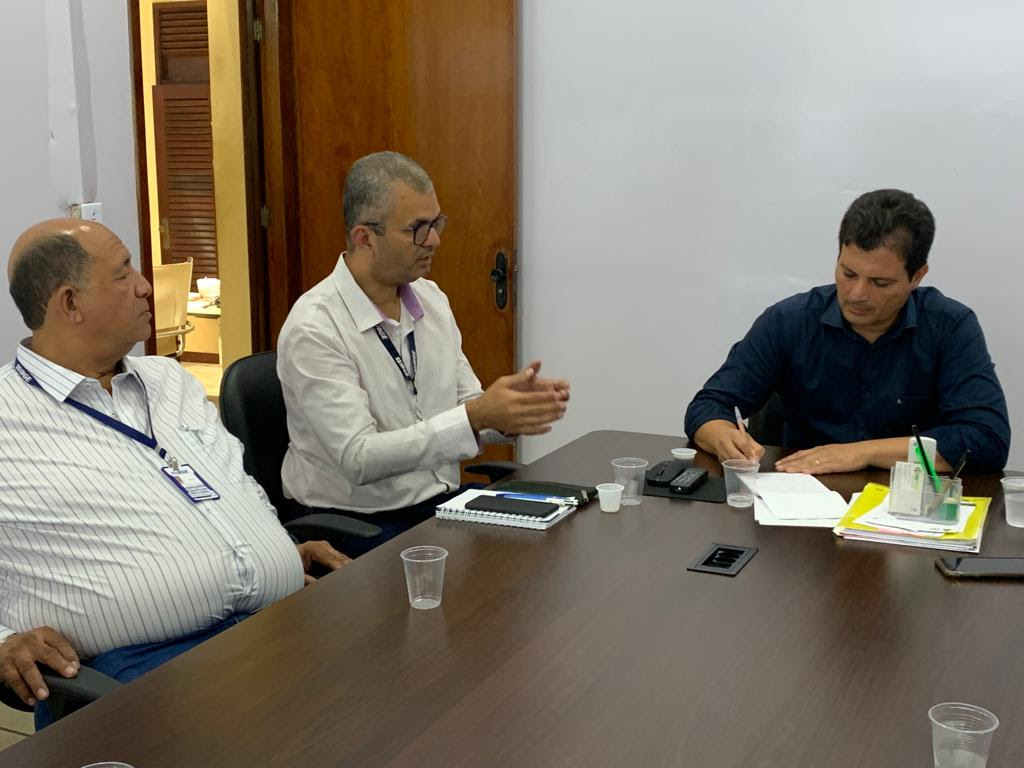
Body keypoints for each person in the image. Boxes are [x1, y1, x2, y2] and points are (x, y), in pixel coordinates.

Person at [0, 219, 348, 721]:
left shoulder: (168, 379)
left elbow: (230, 484)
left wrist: (269, 550)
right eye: (123, 274)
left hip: (279, 626)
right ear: (70, 303)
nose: (145, 286)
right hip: (152, 675)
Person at [277, 152, 570, 552]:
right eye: (417, 229)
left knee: (552, 546)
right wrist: (477, 415)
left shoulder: (431, 300)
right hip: (357, 523)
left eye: (435, 224)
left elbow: (467, 404)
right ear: (365, 238)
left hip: (438, 506)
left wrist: (507, 414)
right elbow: (359, 458)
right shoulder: (315, 328)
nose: (434, 240)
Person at [684, 189, 1010, 474]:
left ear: (917, 277)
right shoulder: (789, 321)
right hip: (800, 499)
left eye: (880, 282)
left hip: (908, 504)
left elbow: (986, 440)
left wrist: (862, 453)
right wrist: (723, 436)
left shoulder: (949, 326)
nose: (857, 294)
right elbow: (707, 407)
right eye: (848, 273)